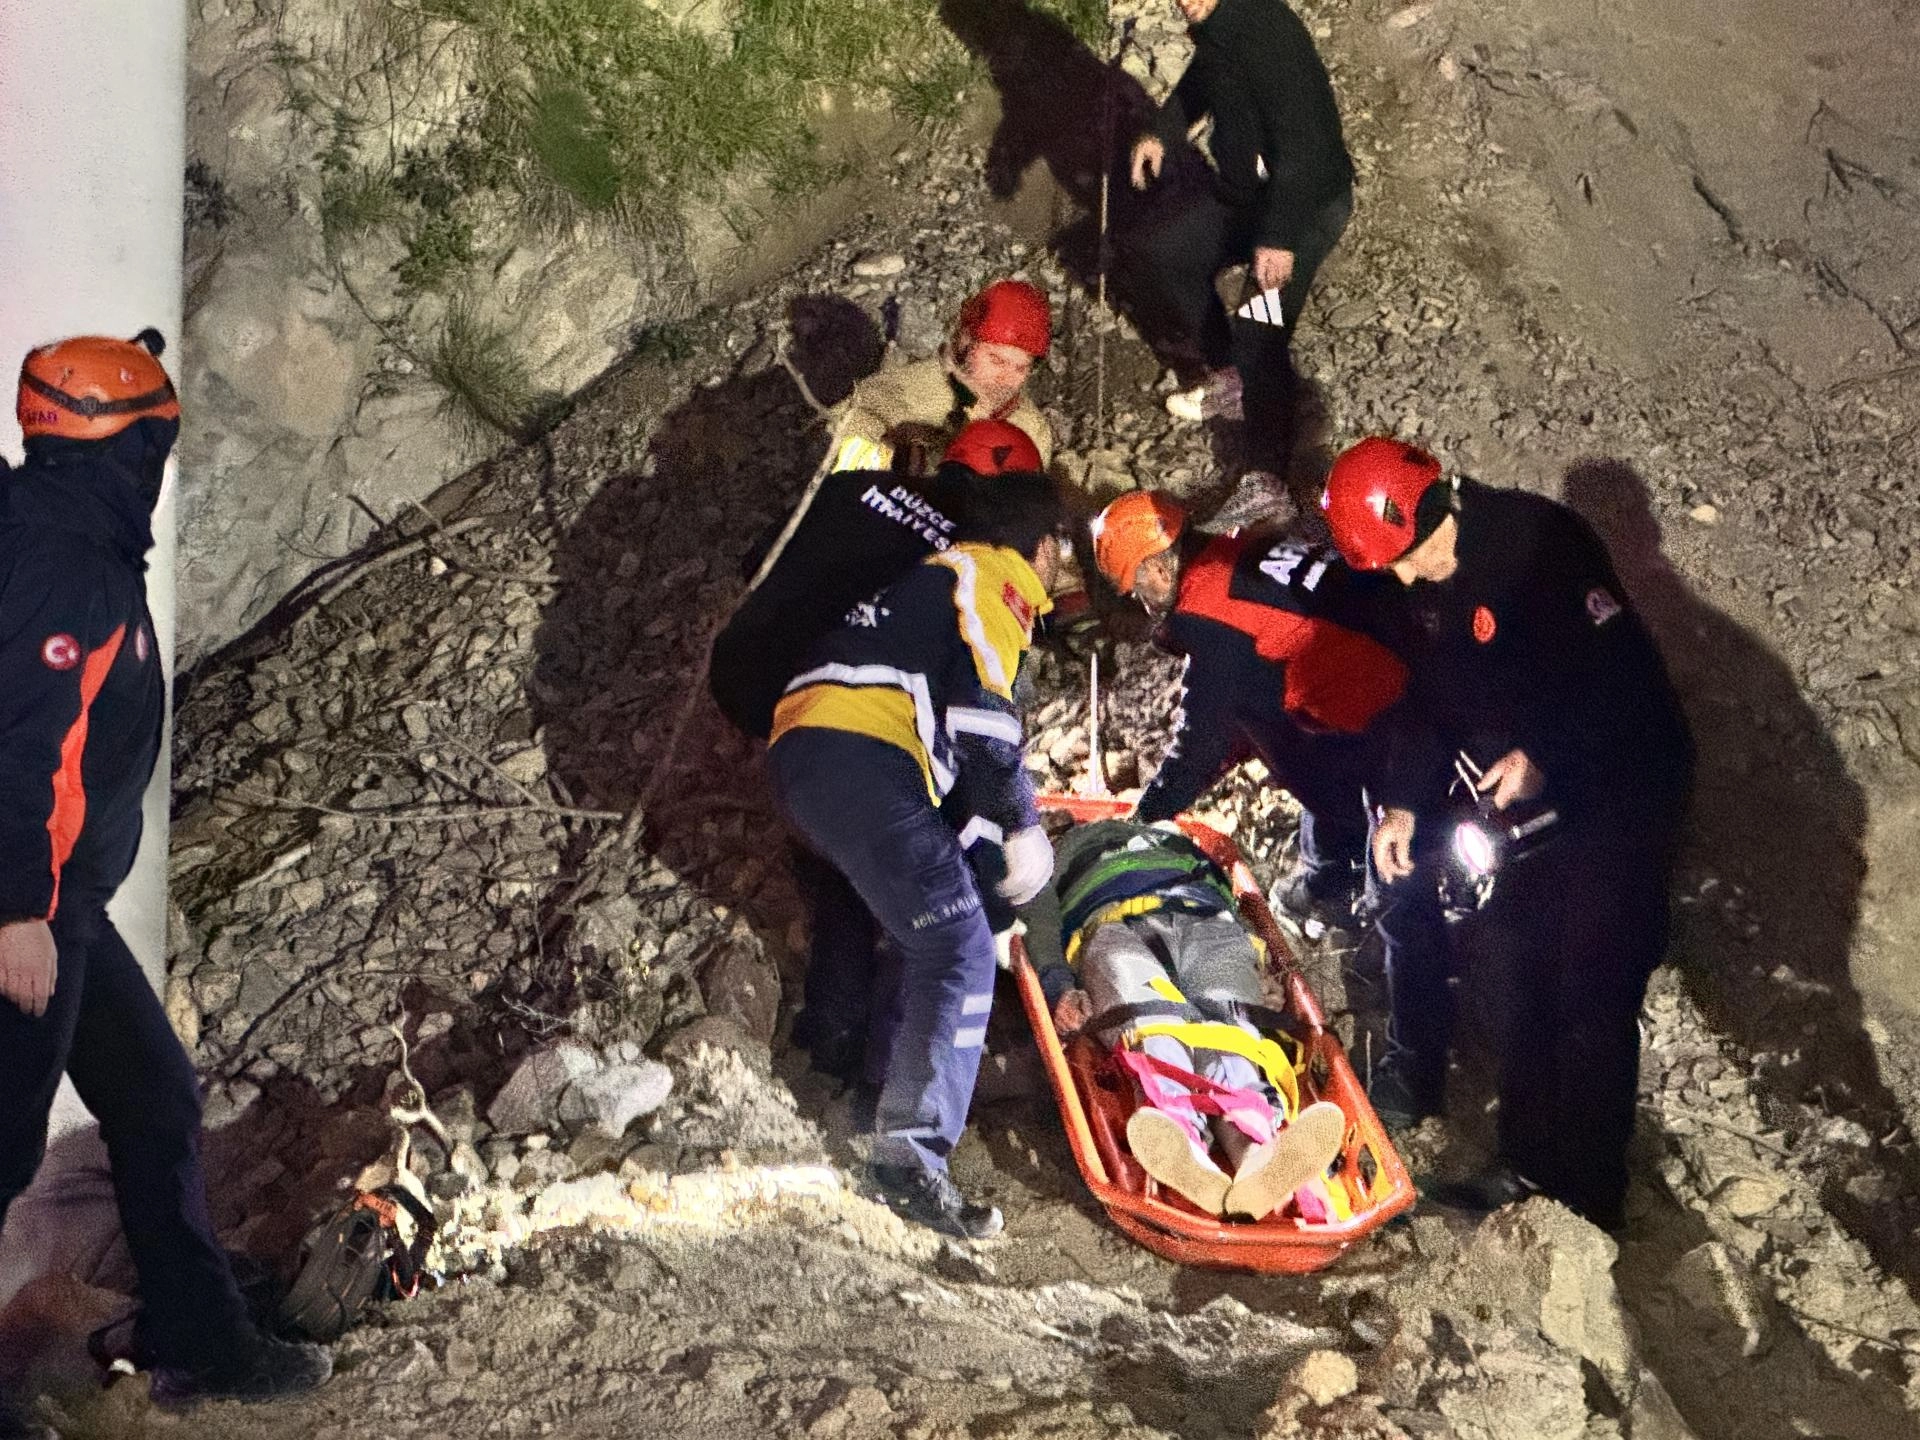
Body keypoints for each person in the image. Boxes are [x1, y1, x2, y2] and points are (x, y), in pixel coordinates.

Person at [0, 333, 331, 1435]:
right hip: (32, 906)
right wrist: (18, 910)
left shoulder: (64, 533)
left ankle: (203, 1339)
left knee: (152, 1099)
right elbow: (21, 747)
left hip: (65, 901)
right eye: (159, 438)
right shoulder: (66, 563)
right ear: (128, 446)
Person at [1321, 436, 1694, 1231]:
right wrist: (1405, 803)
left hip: (1620, 782)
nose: (1403, 578)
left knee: (1591, 985)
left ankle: (1589, 1201)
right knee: (1517, 964)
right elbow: (1431, 704)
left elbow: (1622, 680)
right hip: (1538, 803)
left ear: (1432, 511)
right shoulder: (1424, 586)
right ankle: (1526, 1166)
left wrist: (1543, 755)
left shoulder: (1539, 546)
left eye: (1406, 557)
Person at [766, 481, 1067, 1240]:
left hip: (810, 753)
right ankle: (908, 1160)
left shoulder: (924, 585)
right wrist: (1024, 826)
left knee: (933, 928)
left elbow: (954, 792)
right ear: (1044, 547)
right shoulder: (998, 577)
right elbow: (986, 732)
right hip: (861, 754)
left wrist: (989, 887)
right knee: (955, 948)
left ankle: (864, 1089)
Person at [707, 419, 1048, 1086]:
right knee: (895, 844)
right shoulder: (969, 551)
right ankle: (879, 1057)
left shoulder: (853, 486)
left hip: (749, 675)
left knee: (835, 842)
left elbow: (756, 562)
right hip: (844, 696)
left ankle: (831, 1031)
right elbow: (969, 686)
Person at [1089, 490, 1406, 930]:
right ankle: (1327, 874)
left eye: (1136, 591)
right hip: (1401, 645)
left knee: (1266, 724)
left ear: (1159, 570)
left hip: (1388, 701)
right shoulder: (1239, 547)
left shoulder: (1209, 612)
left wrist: (1145, 820)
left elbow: (1200, 742)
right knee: (1266, 710)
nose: (1142, 604)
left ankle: (1365, 901)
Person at [1022, 818, 1347, 1219]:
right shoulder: (1059, 853)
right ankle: (1182, 1140)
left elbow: (1233, 899)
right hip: (1111, 925)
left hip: (1207, 920)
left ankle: (1256, 1156)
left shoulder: (1177, 841)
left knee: (1233, 1026)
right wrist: (1057, 985)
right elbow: (1038, 919)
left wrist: (1261, 965)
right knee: (1152, 1017)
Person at [1124, 0, 1354, 456]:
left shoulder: (1265, 28)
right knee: (1167, 250)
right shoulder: (1220, 27)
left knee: (1259, 330)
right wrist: (1161, 133)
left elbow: (1305, 143)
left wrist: (1279, 238)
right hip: (1249, 200)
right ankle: (1229, 377)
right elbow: (1203, 80)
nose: (1184, 1)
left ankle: (1267, 475)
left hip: (1303, 209)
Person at [833, 279, 1054, 477]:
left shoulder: (1032, 430)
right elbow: (837, 453)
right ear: (966, 342)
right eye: (996, 361)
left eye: (1021, 368)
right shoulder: (903, 393)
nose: (1006, 380)